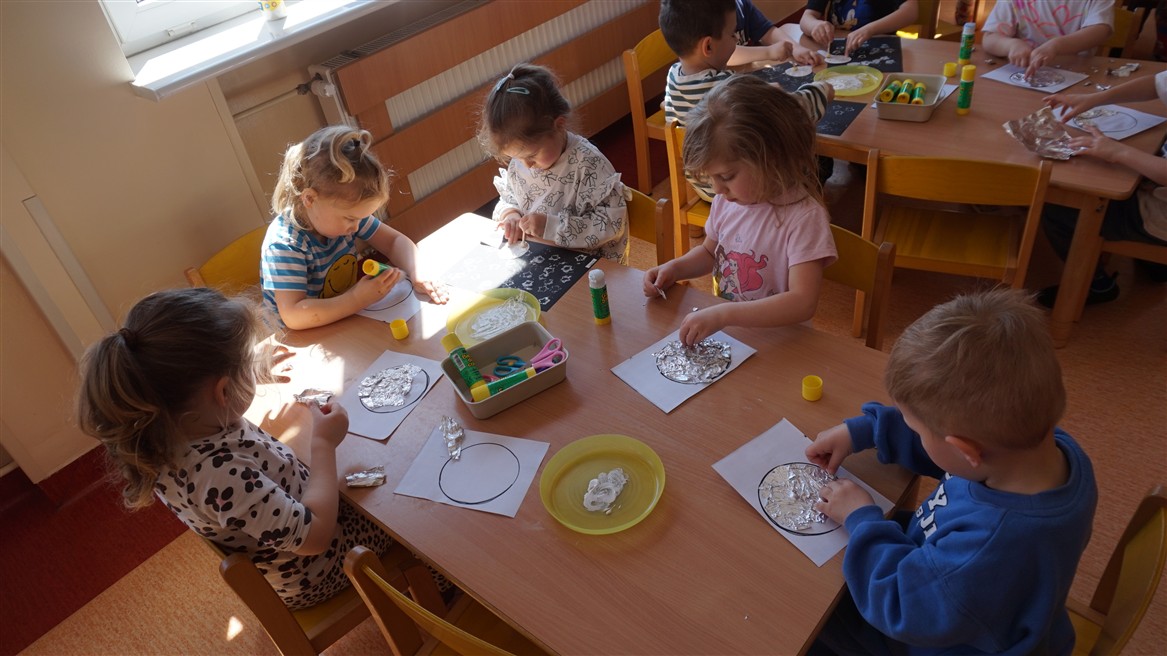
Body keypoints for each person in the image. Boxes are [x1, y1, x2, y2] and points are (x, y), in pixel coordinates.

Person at [805, 288, 1097, 655]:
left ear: (966, 450)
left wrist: (861, 519)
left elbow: (901, 606)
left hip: (926, 630)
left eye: (916, 429)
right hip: (952, 587)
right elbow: (954, 449)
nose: (914, 432)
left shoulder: (993, 545)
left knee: (802, 607)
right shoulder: (1040, 448)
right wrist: (867, 431)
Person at [76, 288, 394, 610]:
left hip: (303, 522)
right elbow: (315, 538)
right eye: (245, 367)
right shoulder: (219, 475)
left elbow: (214, 402)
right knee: (404, 511)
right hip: (322, 566)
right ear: (224, 392)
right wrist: (323, 444)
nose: (251, 370)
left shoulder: (171, 428)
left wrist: (253, 375)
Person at [643, 75, 837, 347]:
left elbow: (802, 302)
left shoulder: (804, 217)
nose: (716, 188)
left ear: (771, 159)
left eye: (726, 176)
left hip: (783, 344)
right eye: (712, 177)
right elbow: (710, 253)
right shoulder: (727, 200)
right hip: (734, 337)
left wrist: (724, 314)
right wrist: (675, 269)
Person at [261, 125, 447, 330]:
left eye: (362, 218)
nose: (356, 227)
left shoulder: (345, 216)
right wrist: (357, 299)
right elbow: (293, 315)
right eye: (351, 219)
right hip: (298, 339)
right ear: (310, 199)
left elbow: (394, 242)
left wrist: (418, 272)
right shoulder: (285, 245)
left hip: (340, 320)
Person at [660, 0, 834, 202]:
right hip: (744, 191)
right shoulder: (732, 90)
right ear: (708, 46)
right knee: (819, 157)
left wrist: (763, 96)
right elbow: (794, 112)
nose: (736, 40)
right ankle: (798, 212)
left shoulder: (673, 76)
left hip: (705, 188)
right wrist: (822, 91)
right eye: (732, 35)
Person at [1037, 70, 1167, 307]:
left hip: (1160, 217)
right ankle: (1156, 264)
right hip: (1156, 190)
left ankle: (1096, 286)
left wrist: (1119, 153)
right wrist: (1094, 99)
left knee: (1061, 206)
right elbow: (1156, 83)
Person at [478, 64, 630, 263]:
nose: (527, 165)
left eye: (532, 155)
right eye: (516, 158)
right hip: (541, 257)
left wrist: (550, 227)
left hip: (589, 266)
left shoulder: (588, 165)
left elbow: (611, 224)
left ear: (558, 125)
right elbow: (510, 196)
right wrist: (511, 214)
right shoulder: (521, 162)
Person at [983, 0, 1114, 80]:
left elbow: (1101, 31)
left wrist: (1056, 46)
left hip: (1078, 78)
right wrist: (1011, 45)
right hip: (1022, 75)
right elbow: (989, 38)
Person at [800, 0, 920, 55]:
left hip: (881, 49)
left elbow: (911, 11)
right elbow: (806, 18)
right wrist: (815, 25)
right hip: (836, 50)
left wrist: (870, 29)